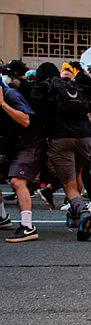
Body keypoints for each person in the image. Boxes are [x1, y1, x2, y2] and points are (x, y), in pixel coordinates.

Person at [30, 61, 91, 241]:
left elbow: (37, 115)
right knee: (78, 172)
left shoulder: (43, 88)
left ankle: (83, 211)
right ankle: (75, 217)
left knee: (69, 185)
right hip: (85, 137)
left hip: (61, 137)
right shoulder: (73, 86)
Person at [0, 81, 41, 241]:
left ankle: (28, 227)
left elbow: (25, 120)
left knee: (17, 181)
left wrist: (2, 104)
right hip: (12, 145)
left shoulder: (11, 95)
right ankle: (3, 217)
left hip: (30, 144)